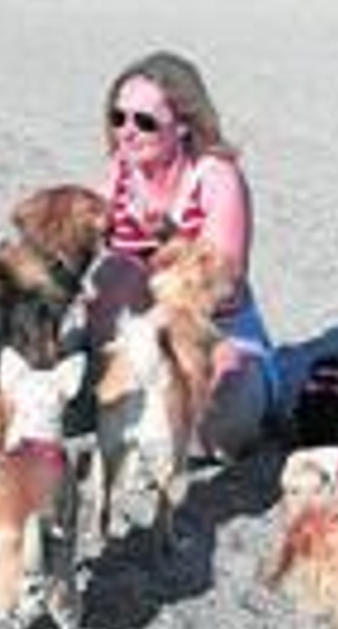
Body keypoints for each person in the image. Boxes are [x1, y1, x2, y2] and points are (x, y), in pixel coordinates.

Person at [80, 50, 280, 459]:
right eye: (118, 117)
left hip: (216, 335)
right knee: (112, 274)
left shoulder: (216, 178)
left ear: (184, 124)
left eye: (145, 121)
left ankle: (181, 414)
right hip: (147, 344)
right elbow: (77, 232)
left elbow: (224, 285)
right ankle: (119, 401)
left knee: (217, 428)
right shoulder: (123, 169)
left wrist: (174, 242)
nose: (127, 131)